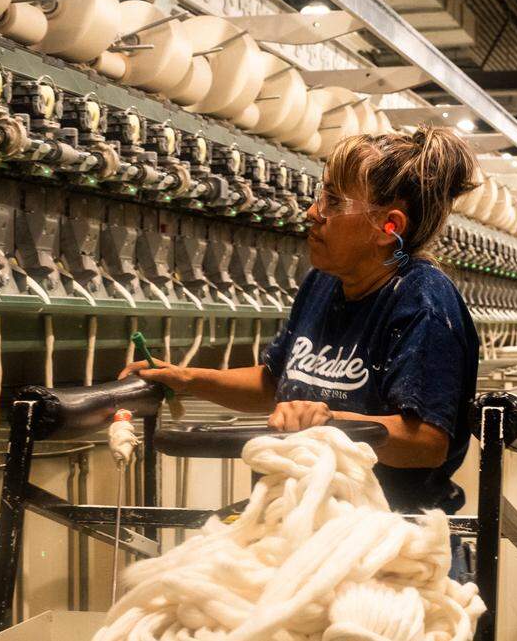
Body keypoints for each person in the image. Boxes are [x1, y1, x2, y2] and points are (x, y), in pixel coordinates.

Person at [119, 126, 481, 515]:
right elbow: (275, 384)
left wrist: (328, 421)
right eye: (319, 195)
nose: (313, 212)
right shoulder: (324, 283)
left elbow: (427, 443)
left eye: (334, 201)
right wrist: (187, 379)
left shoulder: (423, 303)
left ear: (388, 227)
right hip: (300, 516)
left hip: (387, 532)